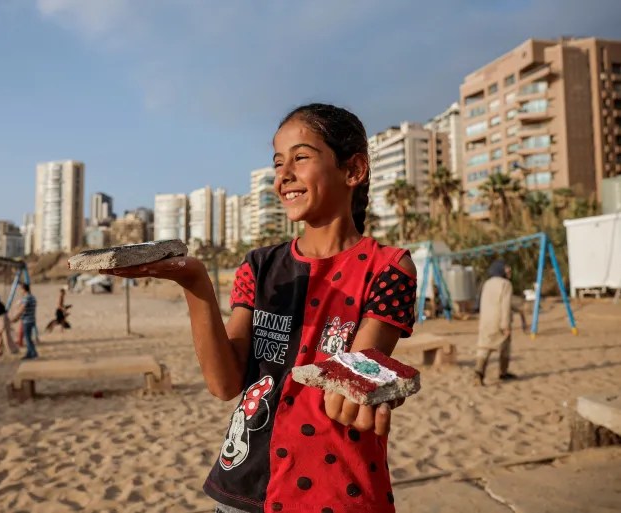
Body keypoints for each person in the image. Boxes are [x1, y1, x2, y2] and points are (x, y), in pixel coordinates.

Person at [101, 104, 417, 513]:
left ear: (353, 170)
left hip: (335, 492)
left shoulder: (388, 267)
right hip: (243, 489)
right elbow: (225, 383)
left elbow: (357, 373)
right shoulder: (260, 265)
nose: (283, 175)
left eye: (301, 157)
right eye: (277, 162)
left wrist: (367, 391)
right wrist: (194, 283)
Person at [474, 260, 517, 386]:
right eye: (507, 269)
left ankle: (478, 373)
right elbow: (505, 306)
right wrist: (506, 325)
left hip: (486, 321)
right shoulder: (506, 284)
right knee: (505, 347)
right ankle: (503, 372)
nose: (509, 272)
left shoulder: (487, 283)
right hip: (499, 320)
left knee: (484, 347)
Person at [11, 283, 39, 360]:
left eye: (21, 289)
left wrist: (15, 318)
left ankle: (33, 353)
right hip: (31, 319)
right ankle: (29, 353)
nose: (20, 291)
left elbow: (22, 309)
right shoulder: (32, 297)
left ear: (24, 289)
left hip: (27, 320)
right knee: (28, 338)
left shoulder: (27, 298)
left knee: (27, 338)